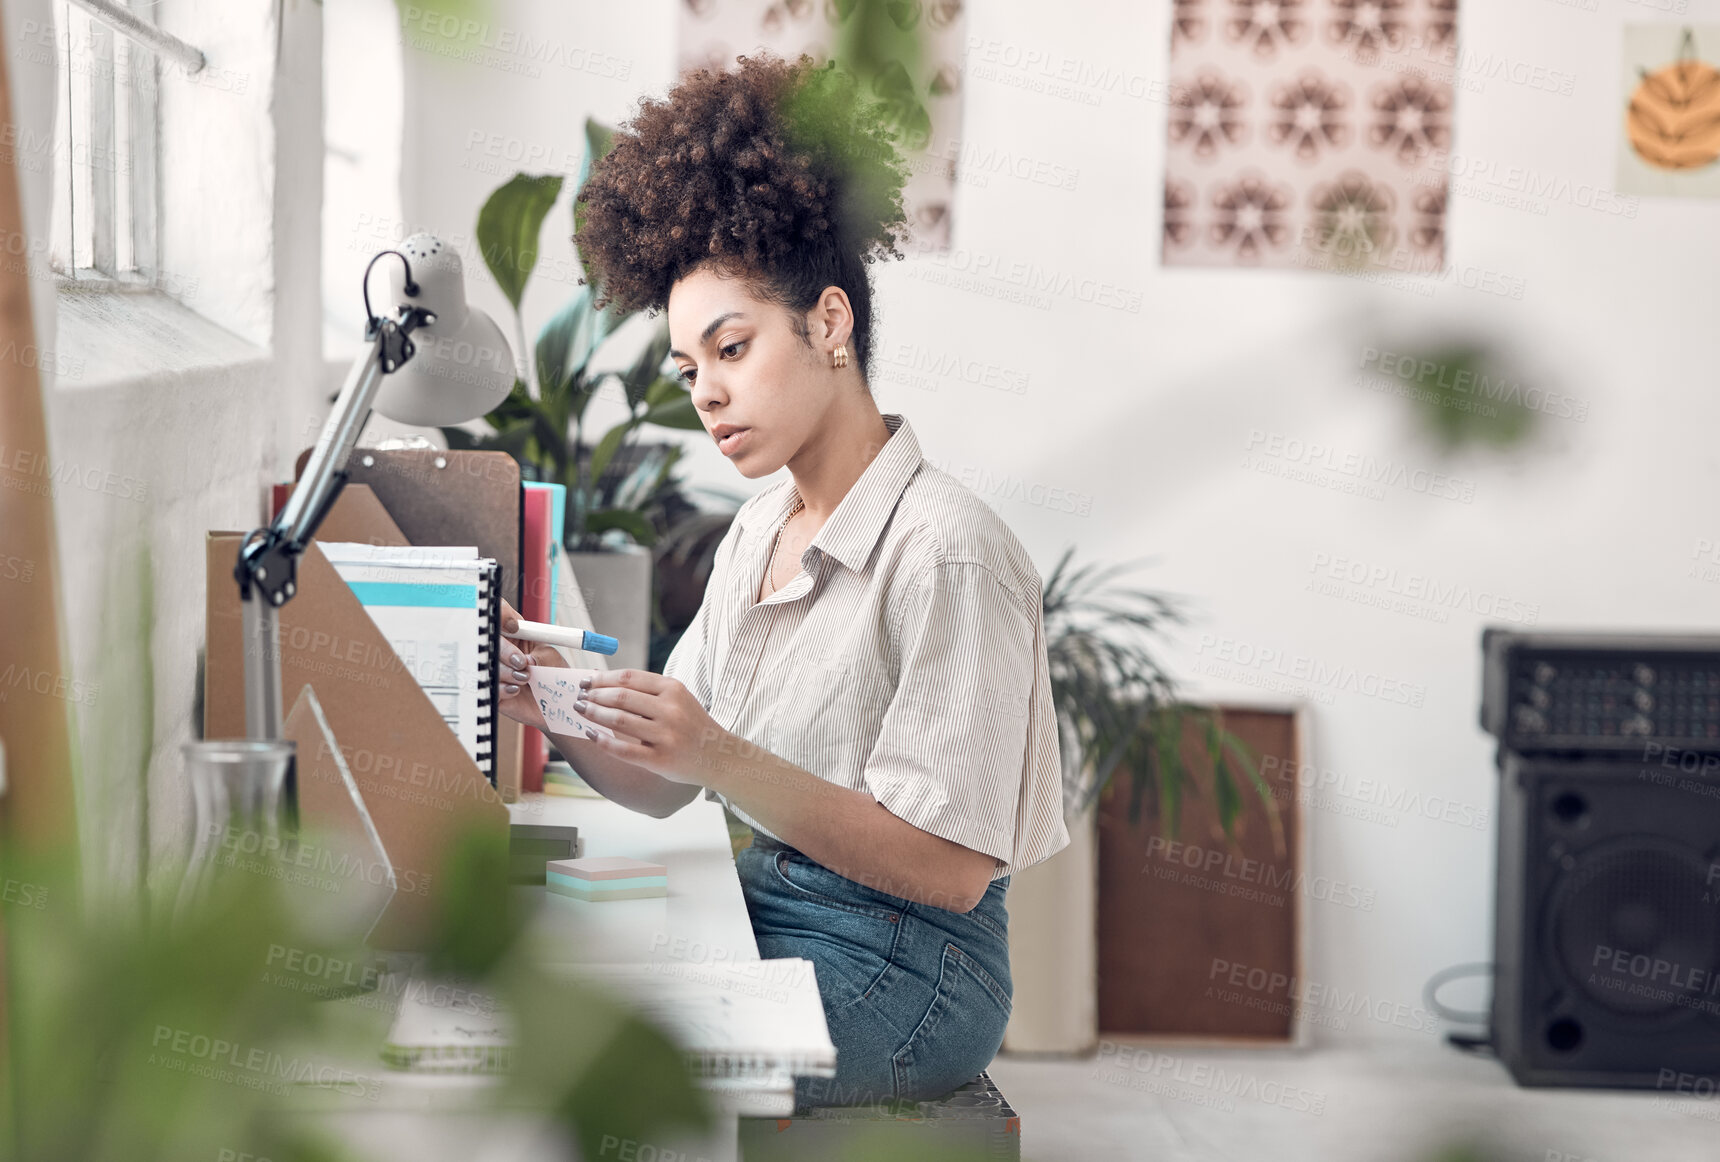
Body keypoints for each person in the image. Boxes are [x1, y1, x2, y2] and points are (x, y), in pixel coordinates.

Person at [495, 51, 1069, 1111]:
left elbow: (951, 872)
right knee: (533, 997)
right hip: (766, 902)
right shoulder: (755, 531)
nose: (707, 394)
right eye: (687, 370)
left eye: (730, 348)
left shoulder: (947, 550)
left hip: (915, 970)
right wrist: (551, 706)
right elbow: (670, 780)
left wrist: (714, 749)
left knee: (604, 1067)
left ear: (830, 324)